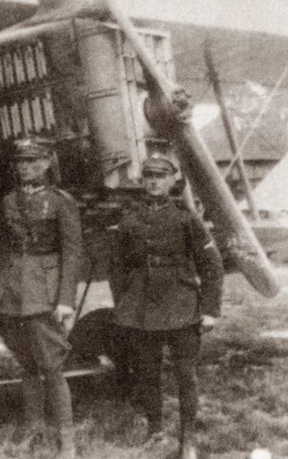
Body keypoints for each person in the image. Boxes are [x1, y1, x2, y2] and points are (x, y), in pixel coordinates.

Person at [110, 153, 224, 459]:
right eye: (148, 176)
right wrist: (123, 302)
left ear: (173, 180)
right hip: (141, 306)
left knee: (186, 373)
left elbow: (211, 264)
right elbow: (117, 265)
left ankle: (188, 438)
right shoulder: (130, 219)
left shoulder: (186, 217)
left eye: (160, 176)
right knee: (147, 372)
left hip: (180, 303)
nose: (154, 181)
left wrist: (210, 309)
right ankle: (155, 429)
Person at [0, 137, 83, 458]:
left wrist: (66, 299)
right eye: (21, 162)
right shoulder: (9, 201)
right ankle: (34, 430)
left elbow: (72, 253)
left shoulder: (60, 202)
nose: (25, 167)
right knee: (27, 364)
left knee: (51, 365)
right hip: (14, 288)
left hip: (44, 289)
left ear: (46, 163)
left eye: (32, 161)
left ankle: (66, 438)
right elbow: (4, 249)